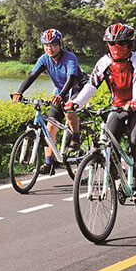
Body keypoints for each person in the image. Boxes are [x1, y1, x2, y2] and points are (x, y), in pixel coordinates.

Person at [64, 23, 136, 201]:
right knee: (108, 145)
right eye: (111, 43)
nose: (115, 47)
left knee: (135, 142)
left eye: (120, 43)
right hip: (118, 107)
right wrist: (76, 103)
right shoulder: (104, 62)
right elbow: (91, 85)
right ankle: (120, 180)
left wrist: (135, 100)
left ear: (129, 44)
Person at [11, 29, 86, 173]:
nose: (49, 48)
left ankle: (76, 138)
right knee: (50, 125)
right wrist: (20, 91)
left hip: (76, 87)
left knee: (69, 111)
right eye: (46, 45)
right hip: (60, 90)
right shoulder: (44, 59)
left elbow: (70, 79)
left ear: (60, 45)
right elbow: (33, 75)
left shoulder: (70, 58)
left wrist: (61, 96)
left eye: (53, 45)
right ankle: (49, 163)